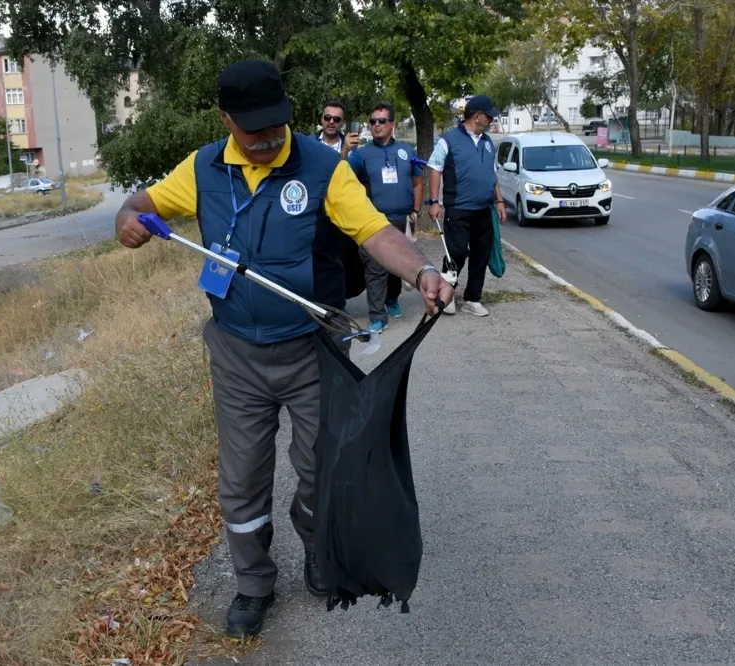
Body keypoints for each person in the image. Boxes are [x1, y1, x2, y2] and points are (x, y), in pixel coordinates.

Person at [115, 59, 453, 639]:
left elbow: (375, 231)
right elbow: (139, 205)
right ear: (226, 120)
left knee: (321, 469)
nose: (271, 139)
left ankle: (319, 551)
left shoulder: (324, 166)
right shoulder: (201, 169)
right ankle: (254, 583)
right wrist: (128, 220)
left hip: (312, 347)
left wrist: (421, 271)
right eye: (256, 132)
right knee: (243, 480)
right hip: (237, 352)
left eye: (279, 125)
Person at [426, 95, 508, 317]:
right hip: (459, 208)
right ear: (477, 116)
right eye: (489, 115)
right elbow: (435, 169)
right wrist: (434, 202)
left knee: (481, 254)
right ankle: (446, 294)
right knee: (456, 252)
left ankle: (473, 298)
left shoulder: (487, 142)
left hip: (484, 209)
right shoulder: (449, 140)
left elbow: (492, 174)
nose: (491, 119)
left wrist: (499, 201)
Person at [347, 102, 423, 331]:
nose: (376, 125)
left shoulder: (407, 151)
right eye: (373, 121)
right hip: (375, 222)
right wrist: (344, 151)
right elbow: (344, 177)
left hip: (402, 218)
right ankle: (377, 316)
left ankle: (392, 299)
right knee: (375, 267)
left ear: (392, 124)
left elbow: (418, 183)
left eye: (381, 121)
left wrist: (416, 211)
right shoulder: (361, 154)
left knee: (397, 265)